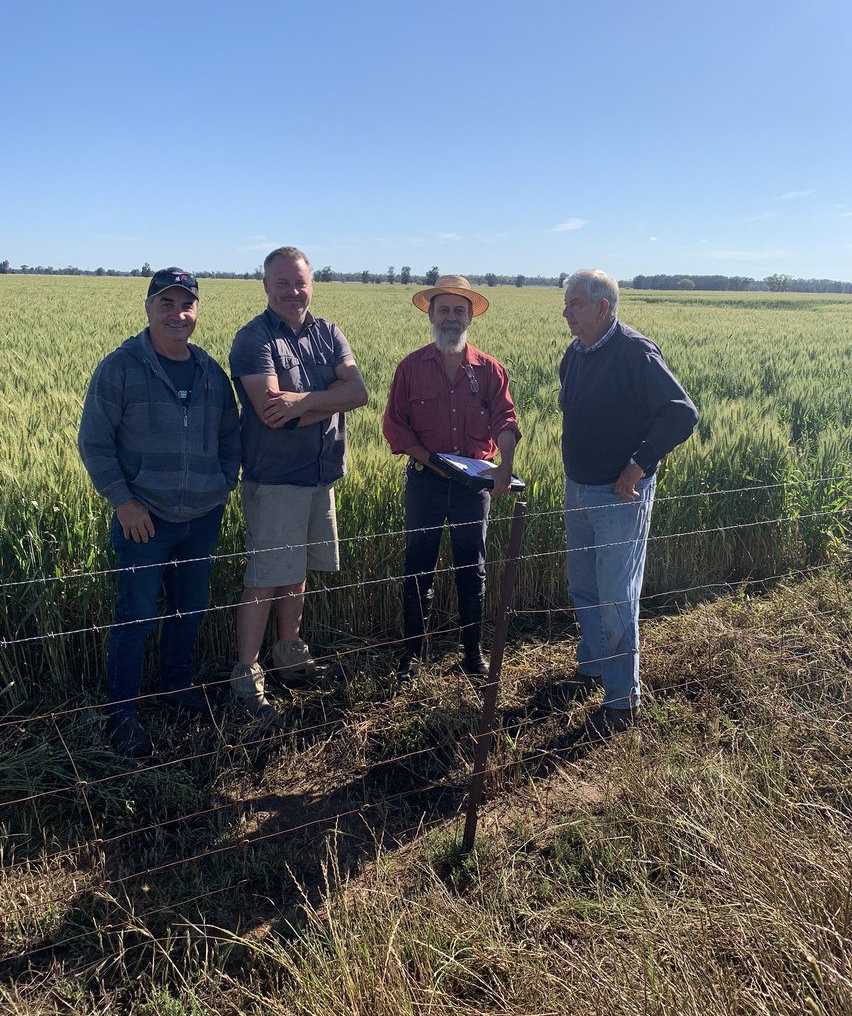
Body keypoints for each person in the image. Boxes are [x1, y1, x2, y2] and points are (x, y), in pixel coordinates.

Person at [78, 268, 241, 758]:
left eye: (186, 304)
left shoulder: (211, 372)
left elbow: (231, 437)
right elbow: (94, 442)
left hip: (201, 518)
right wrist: (123, 502)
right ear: (148, 308)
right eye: (166, 304)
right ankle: (121, 715)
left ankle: (176, 690)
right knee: (136, 615)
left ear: (197, 311)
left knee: (189, 610)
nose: (177, 314)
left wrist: (222, 483)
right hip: (143, 520)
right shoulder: (121, 367)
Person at [228, 246, 368, 721]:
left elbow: (360, 392)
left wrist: (301, 401)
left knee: (297, 572)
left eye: (300, 282)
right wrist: (330, 399)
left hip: (319, 475)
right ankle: (247, 681)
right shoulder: (253, 338)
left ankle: (290, 659)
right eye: (282, 283)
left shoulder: (328, 332)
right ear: (266, 286)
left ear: (313, 283)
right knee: (265, 580)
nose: (293, 291)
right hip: (275, 481)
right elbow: (273, 417)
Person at [559, 269, 698, 732]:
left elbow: (682, 412)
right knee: (583, 585)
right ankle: (595, 663)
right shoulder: (575, 354)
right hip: (577, 488)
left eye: (574, 304)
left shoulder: (635, 352)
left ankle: (622, 699)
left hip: (620, 496)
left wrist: (639, 463)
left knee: (617, 595)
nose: (566, 314)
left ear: (603, 307)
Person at [383, 275, 521, 682]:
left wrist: (506, 464)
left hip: (472, 489)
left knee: (471, 568)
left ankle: (472, 654)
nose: (451, 317)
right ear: (430, 314)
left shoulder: (491, 370)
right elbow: (396, 428)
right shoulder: (410, 368)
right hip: (425, 483)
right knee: (418, 567)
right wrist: (434, 462)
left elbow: (505, 420)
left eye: (459, 310)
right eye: (443, 309)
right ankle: (412, 655)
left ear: (470, 318)